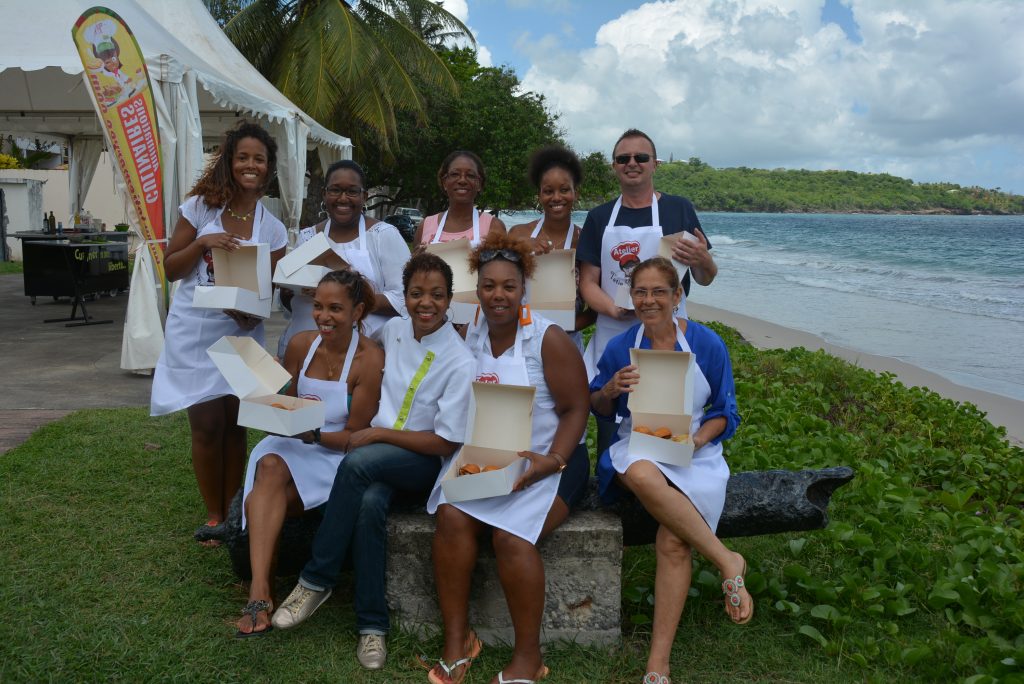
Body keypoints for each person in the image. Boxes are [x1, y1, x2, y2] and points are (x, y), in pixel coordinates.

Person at [271, 253, 476, 671]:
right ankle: (372, 628)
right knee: (368, 506)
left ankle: (316, 579)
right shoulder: (395, 331)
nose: (426, 303)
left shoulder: (460, 360)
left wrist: (379, 433)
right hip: (379, 459)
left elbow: (442, 443)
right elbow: (356, 350)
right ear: (405, 297)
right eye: (416, 293)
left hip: (420, 462)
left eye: (437, 295)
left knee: (358, 462)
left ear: (449, 299)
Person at [426, 233, 591, 684]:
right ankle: (458, 641)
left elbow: (578, 409)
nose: (498, 295)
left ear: (524, 290)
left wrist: (551, 459)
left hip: (554, 460)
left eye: (509, 287)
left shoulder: (548, 339)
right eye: (489, 286)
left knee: (511, 538)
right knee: (451, 518)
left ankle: (528, 658)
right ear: (476, 289)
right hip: (489, 455)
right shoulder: (469, 334)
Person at [589, 257, 746, 684]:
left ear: (678, 296)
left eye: (660, 291)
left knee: (674, 541)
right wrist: (609, 389)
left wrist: (693, 442)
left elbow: (724, 415)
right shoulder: (622, 346)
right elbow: (597, 407)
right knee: (640, 473)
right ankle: (726, 560)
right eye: (641, 292)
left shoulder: (708, 345)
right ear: (632, 297)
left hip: (694, 450)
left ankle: (658, 663)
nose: (649, 300)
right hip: (637, 445)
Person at [151, 121, 288, 546]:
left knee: (235, 423)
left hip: (242, 332)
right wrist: (203, 243)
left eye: (259, 159)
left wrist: (252, 312)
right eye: (242, 157)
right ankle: (213, 516)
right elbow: (171, 268)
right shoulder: (198, 208)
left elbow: (269, 289)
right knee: (207, 425)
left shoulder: (273, 228)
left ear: (268, 168)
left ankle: (233, 509)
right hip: (195, 330)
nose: (250, 165)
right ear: (230, 162)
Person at [234, 270, 384, 638]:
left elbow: (355, 436)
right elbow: (284, 398)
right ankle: (260, 590)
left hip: (333, 452)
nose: (323, 317)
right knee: (269, 463)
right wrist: (260, 385)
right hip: (291, 443)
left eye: (335, 308)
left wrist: (314, 433)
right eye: (318, 306)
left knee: (266, 496)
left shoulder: (369, 359)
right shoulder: (302, 345)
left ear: (358, 311)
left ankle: (260, 588)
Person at [578, 128, 718, 456]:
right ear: (614, 166)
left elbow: (706, 277)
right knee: (610, 412)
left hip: (668, 335)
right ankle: (612, 481)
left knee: (666, 418)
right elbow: (588, 282)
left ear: (655, 164)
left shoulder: (679, 209)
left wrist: (704, 259)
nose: (632, 163)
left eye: (641, 157)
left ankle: (665, 477)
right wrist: (614, 310)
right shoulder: (599, 217)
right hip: (614, 332)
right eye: (623, 158)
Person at [277, 160, 409, 356]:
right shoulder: (308, 237)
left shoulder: (383, 235)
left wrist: (352, 297)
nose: (343, 198)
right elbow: (287, 303)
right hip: (307, 349)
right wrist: (290, 290)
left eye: (352, 191)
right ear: (324, 194)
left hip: (365, 351)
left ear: (364, 196)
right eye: (335, 190)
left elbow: (404, 299)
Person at [509, 145, 597, 348]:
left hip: (566, 341)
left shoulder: (585, 240)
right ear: (539, 195)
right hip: (520, 338)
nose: (556, 197)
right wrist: (519, 248)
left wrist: (563, 326)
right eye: (548, 191)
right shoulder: (518, 234)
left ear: (576, 192)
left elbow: (594, 310)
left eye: (564, 190)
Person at [413, 150, 507, 247]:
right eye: (455, 174)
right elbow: (413, 261)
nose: (462, 180)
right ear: (445, 182)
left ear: (479, 184)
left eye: (470, 175)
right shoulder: (425, 225)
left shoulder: (494, 226)